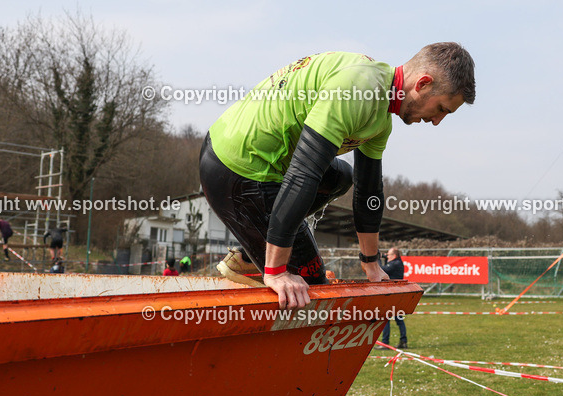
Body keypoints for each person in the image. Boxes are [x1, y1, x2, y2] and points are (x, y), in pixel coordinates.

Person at [200, 44, 476, 309]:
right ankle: (262, 261)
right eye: (441, 109)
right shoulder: (359, 89)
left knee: (341, 176)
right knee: (314, 292)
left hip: (265, 169)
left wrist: (371, 264)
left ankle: (249, 255)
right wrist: (276, 271)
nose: (437, 121)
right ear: (423, 83)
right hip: (236, 167)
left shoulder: (380, 114)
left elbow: (369, 193)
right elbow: (304, 173)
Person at [380, 247, 408, 348]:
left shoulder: (395, 264)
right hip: (396, 294)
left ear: (394, 256)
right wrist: (384, 257)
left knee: (386, 318)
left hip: (392, 294)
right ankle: (403, 341)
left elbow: (381, 270)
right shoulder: (397, 262)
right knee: (399, 318)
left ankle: (385, 342)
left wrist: (376, 260)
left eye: (389, 255)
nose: (387, 256)